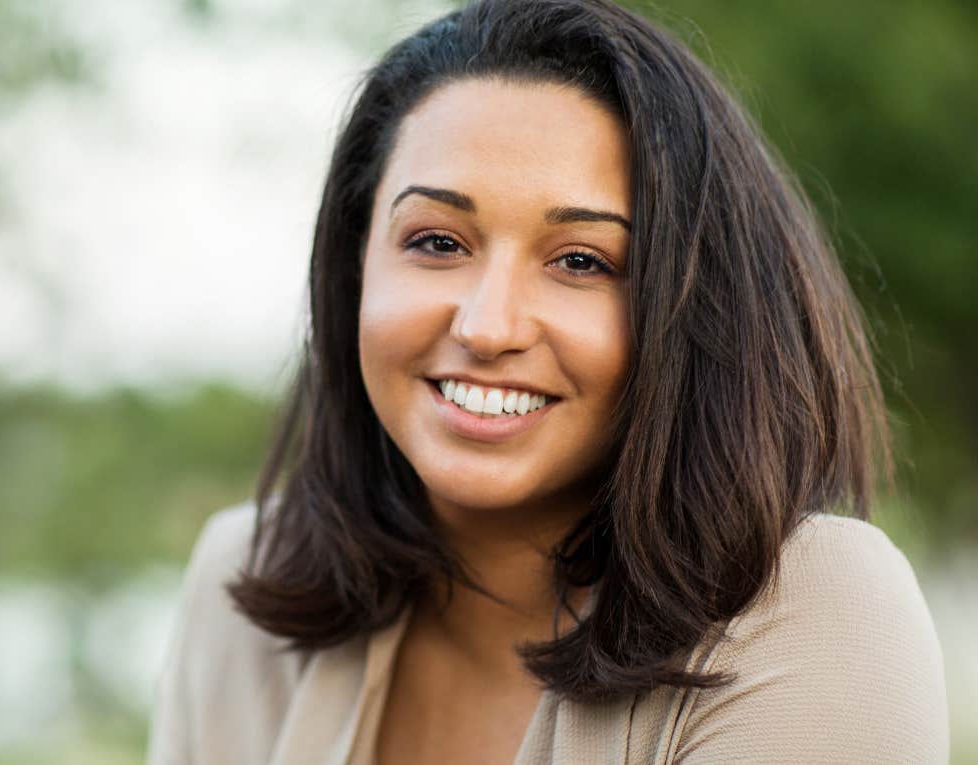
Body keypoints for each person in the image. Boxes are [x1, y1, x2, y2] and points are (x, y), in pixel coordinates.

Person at [148, 0, 949, 762]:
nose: (488, 326)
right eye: (435, 242)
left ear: (697, 309)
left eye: (580, 261)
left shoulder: (808, 607)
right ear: (355, 266)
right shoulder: (242, 583)